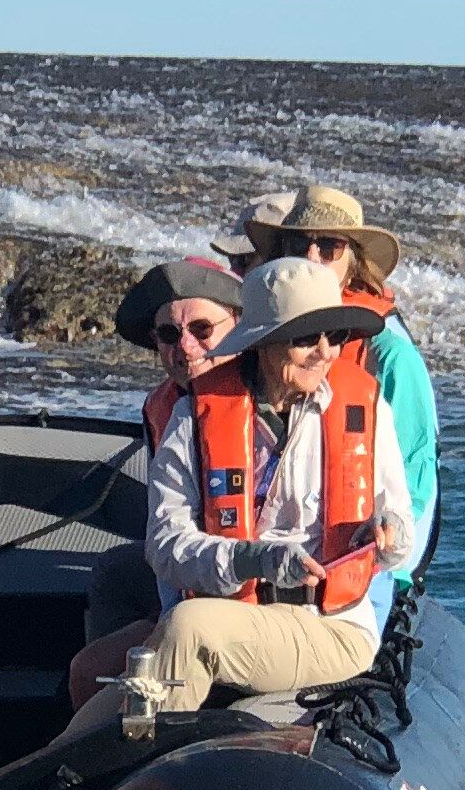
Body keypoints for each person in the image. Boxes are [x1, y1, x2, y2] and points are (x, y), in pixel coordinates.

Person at [99, 255, 422, 725]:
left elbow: (401, 537)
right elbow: (166, 548)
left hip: (332, 627)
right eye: (306, 338)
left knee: (190, 627)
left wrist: (387, 531)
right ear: (264, 343)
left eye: (335, 336)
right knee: (90, 712)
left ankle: (138, 755)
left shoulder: (368, 410)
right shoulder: (193, 417)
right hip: (231, 612)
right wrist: (253, 559)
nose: (325, 352)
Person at [65, 255, 243, 708]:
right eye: (168, 334)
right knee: (113, 577)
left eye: (202, 329)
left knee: (90, 670)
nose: (185, 346)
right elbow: (165, 530)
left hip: (247, 599)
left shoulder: (268, 401)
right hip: (185, 582)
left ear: (238, 327)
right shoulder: (160, 408)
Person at [239, 184, 439, 532]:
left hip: (356, 548)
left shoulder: (393, 359)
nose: (311, 256)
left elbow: (414, 488)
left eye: (330, 246)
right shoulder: (250, 339)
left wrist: (384, 543)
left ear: (354, 264)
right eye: (299, 244)